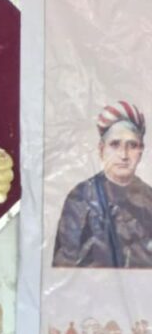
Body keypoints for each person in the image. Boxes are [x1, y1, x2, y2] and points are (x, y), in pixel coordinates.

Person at [52, 100, 152, 268]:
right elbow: (65, 266)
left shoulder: (149, 198)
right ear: (101, 149)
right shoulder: (80, 198)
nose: (123, 155)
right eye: (115, 144)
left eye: (132, 145)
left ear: (141, 151)